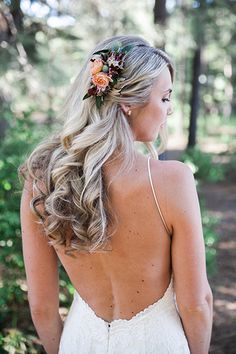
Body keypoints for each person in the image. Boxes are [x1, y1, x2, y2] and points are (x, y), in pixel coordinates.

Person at [19, 35, 213, 354]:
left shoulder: (43, 179)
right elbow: (196, 304)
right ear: (128, 103)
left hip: (79, 342)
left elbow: (41, 306)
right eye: (164, 98)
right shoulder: (172, 180)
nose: (169, 110)